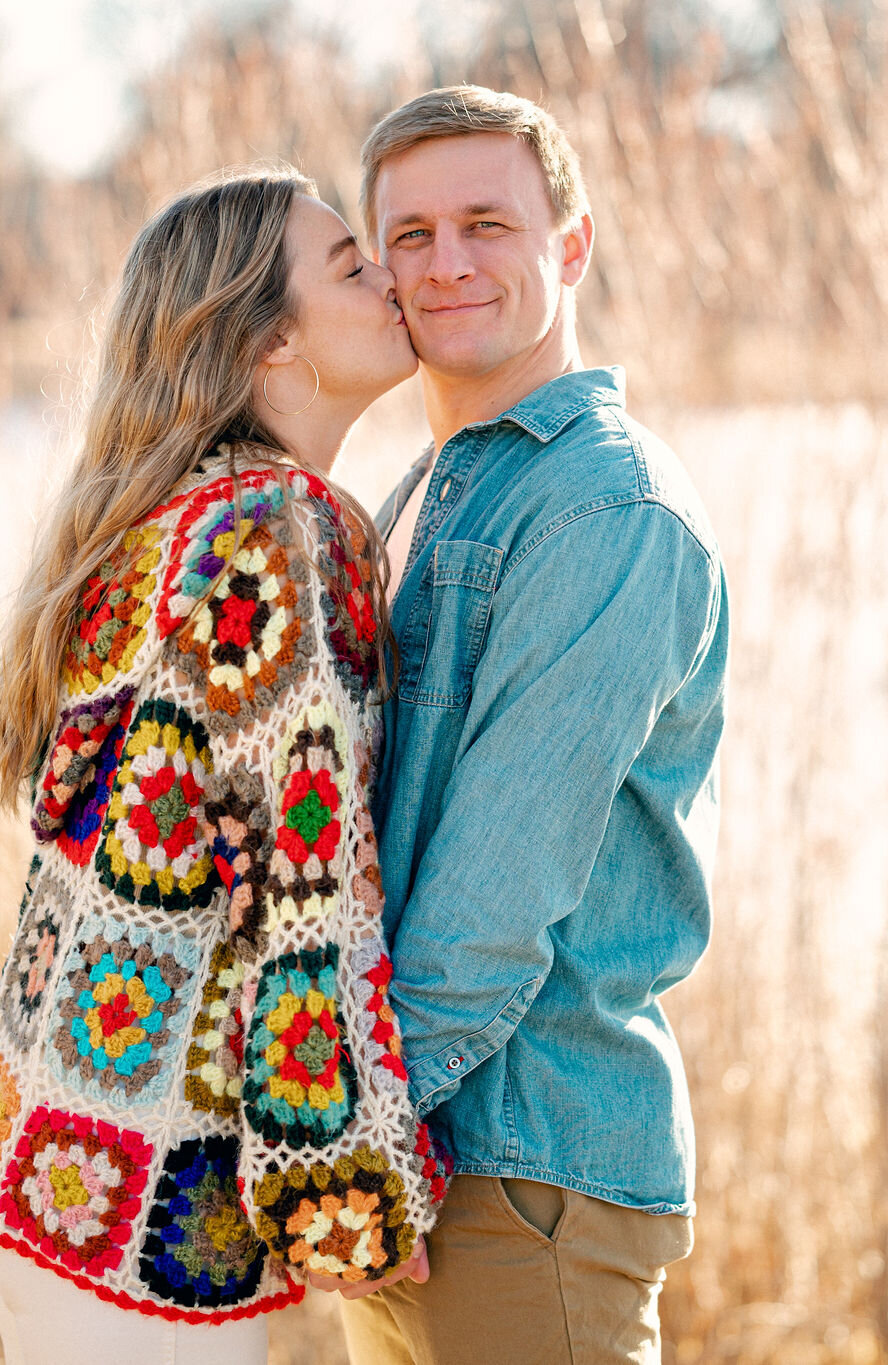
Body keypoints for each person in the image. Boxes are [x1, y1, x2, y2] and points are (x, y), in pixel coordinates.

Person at [0, 169, 451, 1365]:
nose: (389, 276)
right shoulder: (283, 531)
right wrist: (347, 1191)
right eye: (349, 265)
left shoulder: (167, 518)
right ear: (271, 337)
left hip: (37, 1137)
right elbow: (307, 895)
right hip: (139, 1198)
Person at [334, 86, 730, 1365]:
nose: (445, 264)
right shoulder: (438, 488)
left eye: (486, 223)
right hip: (429, 1163)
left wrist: (355, 1150)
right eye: (408, 236)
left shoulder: (605, 514)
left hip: (520, 1176)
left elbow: (492, 896)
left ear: (570, 246)